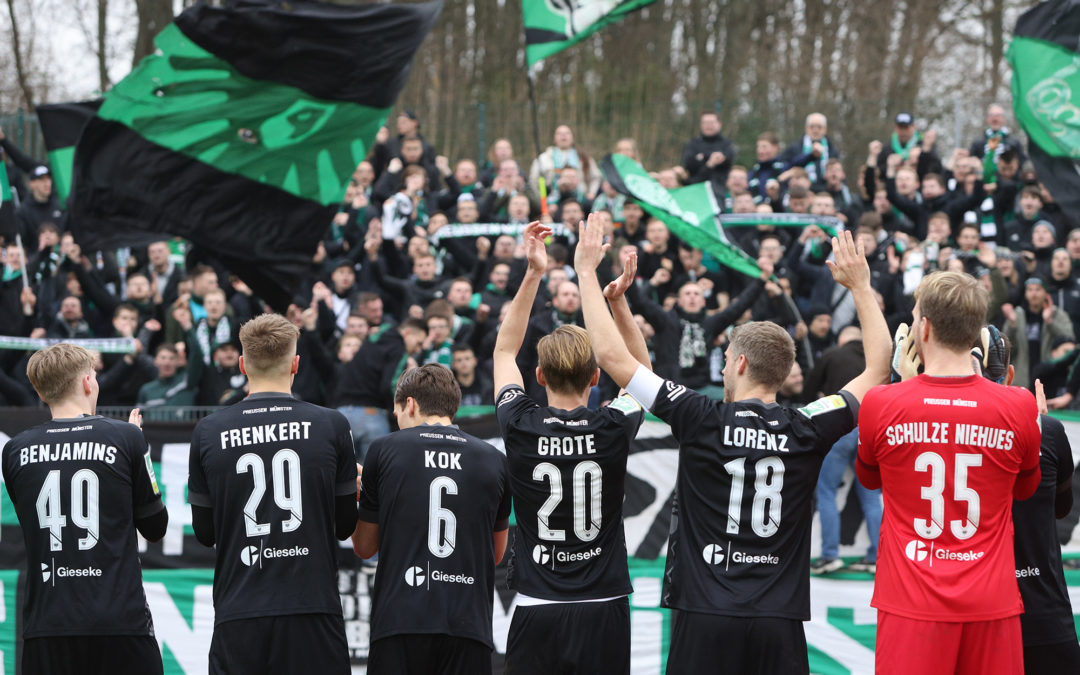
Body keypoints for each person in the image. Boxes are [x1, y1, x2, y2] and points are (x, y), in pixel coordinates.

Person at [575, 214, 890, 673]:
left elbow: (609, 358)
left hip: (705, 616)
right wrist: (860, 286)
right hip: (777, 621)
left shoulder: (699, 415)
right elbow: (878, 370)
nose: (721, 370)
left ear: (740, 363)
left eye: (724, 361)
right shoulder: (806, 425)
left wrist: (587, 272)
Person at [856, 272, 1042, 675]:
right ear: (977, 332)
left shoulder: (880, 403)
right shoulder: (1019, 405)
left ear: (923, 328)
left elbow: (870, 480)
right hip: (991, 599)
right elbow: (1026, 489)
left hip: (911, 600)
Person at [493, 221, 650, 674]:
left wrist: (533, 273)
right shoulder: (612, 424)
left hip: (537, 603)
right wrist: (616, 303)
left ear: (538, 377)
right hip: (604, 604)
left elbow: (505, 352)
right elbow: (641, 370)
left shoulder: (520, 422)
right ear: (597, 378)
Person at [187, 314, 358, 674]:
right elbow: (344, 527)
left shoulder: (208, 431)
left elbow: (205, 533)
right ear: (296, 363)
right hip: (312, 608)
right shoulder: (331, 425)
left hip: (240, 609)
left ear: (242, 364)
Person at [2, 343, 167, 674]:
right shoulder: (125, 437)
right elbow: (155, 527)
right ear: (88, 382)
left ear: (39, 389)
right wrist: (137, 448)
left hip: (48, 624)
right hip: (119, 620)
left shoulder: (15, 449)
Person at [352, 364, 511, 673]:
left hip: (400, 622)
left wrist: (366, 498)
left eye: (397, 412)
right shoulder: (494, 458)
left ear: (409, 404)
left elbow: (364, 547)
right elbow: (497, 553)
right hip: (468, 626)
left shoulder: (385, 450)